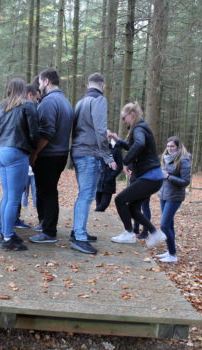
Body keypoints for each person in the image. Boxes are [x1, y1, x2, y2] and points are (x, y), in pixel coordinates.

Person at [70, 73, 117, 254]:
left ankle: (78, 231)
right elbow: (99, 129)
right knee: (86, 195)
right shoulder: (99, 100)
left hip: (79, 152)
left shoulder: (80, 102)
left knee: (84, 194)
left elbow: (77, 130)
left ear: (87, 84)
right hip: (90, 154)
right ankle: (79, 237)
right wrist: (108, 156)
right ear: (103, 85)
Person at [110, 101, 166, 248]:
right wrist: (119, 141)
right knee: (133, 208)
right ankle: (155, 233)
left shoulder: (139, 128)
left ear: (132, 114)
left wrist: (125, 162)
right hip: (152, 178)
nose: (123, 121)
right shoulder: (141, 128)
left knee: (120, 200)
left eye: (124, 118)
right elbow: (135, 146)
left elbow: (139, 144)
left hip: (150, 177)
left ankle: (129, 233)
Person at [29, 68, 73, 243]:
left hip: (49, 154)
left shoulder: (49, 102)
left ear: (46, 81)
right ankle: (45, 224)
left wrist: (35, 153)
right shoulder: (65, 101)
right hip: (60, 153)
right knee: (47, 191)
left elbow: (46, 132)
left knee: (48, 192)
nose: (39, 86)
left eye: (40, 82)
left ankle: (49, 231)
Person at [0, 78, 38, 251]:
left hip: (0, 151)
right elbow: (33, 132)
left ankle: (3, 231)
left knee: (7, 195)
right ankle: (7, 237)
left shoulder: (1, 107)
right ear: (23, 90)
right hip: (16, 152)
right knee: (13, 198)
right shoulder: (27, 106)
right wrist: (33, 150)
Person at [156, 136, 191, 262]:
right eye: (168, 146)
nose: (170, 148)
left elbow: (186, 181)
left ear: (178, 147)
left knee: (164, 225)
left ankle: (172, 255)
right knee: (169, 225)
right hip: (164, 195)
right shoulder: (166, 158)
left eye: (172, 146)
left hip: (175, 197)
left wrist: (168, 176)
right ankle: (170, 252)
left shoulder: (184, 160)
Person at [95, 137, 123, 212]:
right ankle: (98, 221)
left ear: (110, 137)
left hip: (109, 182)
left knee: (104, 204)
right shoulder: (98, 148)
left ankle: (94, 214)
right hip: (98, 180)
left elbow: (120, 166)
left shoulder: (116, 149)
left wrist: (112, 176)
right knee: (98, 204)